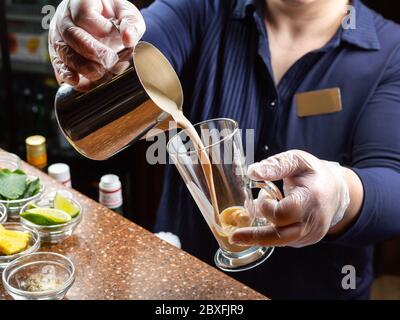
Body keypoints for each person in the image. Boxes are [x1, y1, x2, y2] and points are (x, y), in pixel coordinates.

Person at [48, 0, 400, 299]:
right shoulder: (204, 8)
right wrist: (96, 39)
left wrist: (339, 194)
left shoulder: (390, 50)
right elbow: (133, 53)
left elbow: (392, 184)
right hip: (185, 288)